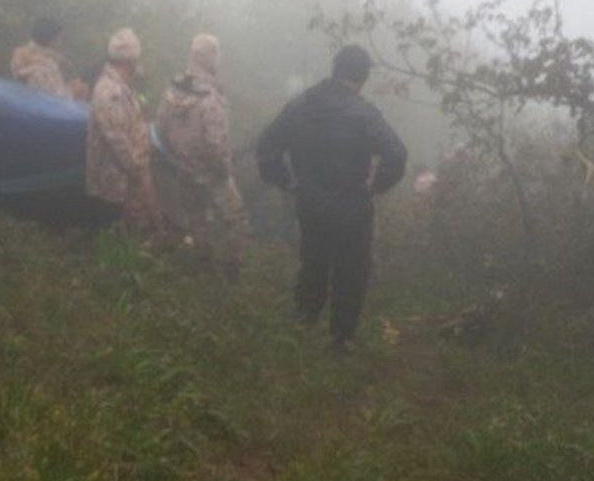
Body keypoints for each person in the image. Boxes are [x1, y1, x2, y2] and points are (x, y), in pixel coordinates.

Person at [257, 45, 407, 352]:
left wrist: (286, 181)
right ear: (362, 77)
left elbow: (267, 145)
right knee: (351, 271)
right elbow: (396, 154)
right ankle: (340, 340)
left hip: (310, 201)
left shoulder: (302, 104)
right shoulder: (364, 112)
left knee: (313, 259)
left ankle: (302, 323)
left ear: (335, 69)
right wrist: (375, 186)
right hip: (352, 205)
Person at [155, 34, 249, 279]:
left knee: (197, 221)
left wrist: (177, 157)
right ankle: (233, 272)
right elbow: (216, 143)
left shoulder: (173, 90)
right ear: (211, 58)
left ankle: (202, 268)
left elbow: (160, 130)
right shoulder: (210, 98)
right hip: (212, 172)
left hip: (183, 168)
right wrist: (225, 170)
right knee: (236, 220)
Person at [86, 28, 161, 233]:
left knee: (128, 242)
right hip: (114, 187)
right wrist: (138, 173)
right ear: (130, 60)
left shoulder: (124, 87)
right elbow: (117, 139)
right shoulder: (110, 90)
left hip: (125, 184)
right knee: (115, 242)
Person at [9, 18, 72, 98]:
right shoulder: (48, 64)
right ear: (51, 40)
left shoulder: (19, 53)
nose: (60, 43)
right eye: (59, 39)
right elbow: (60, 97)